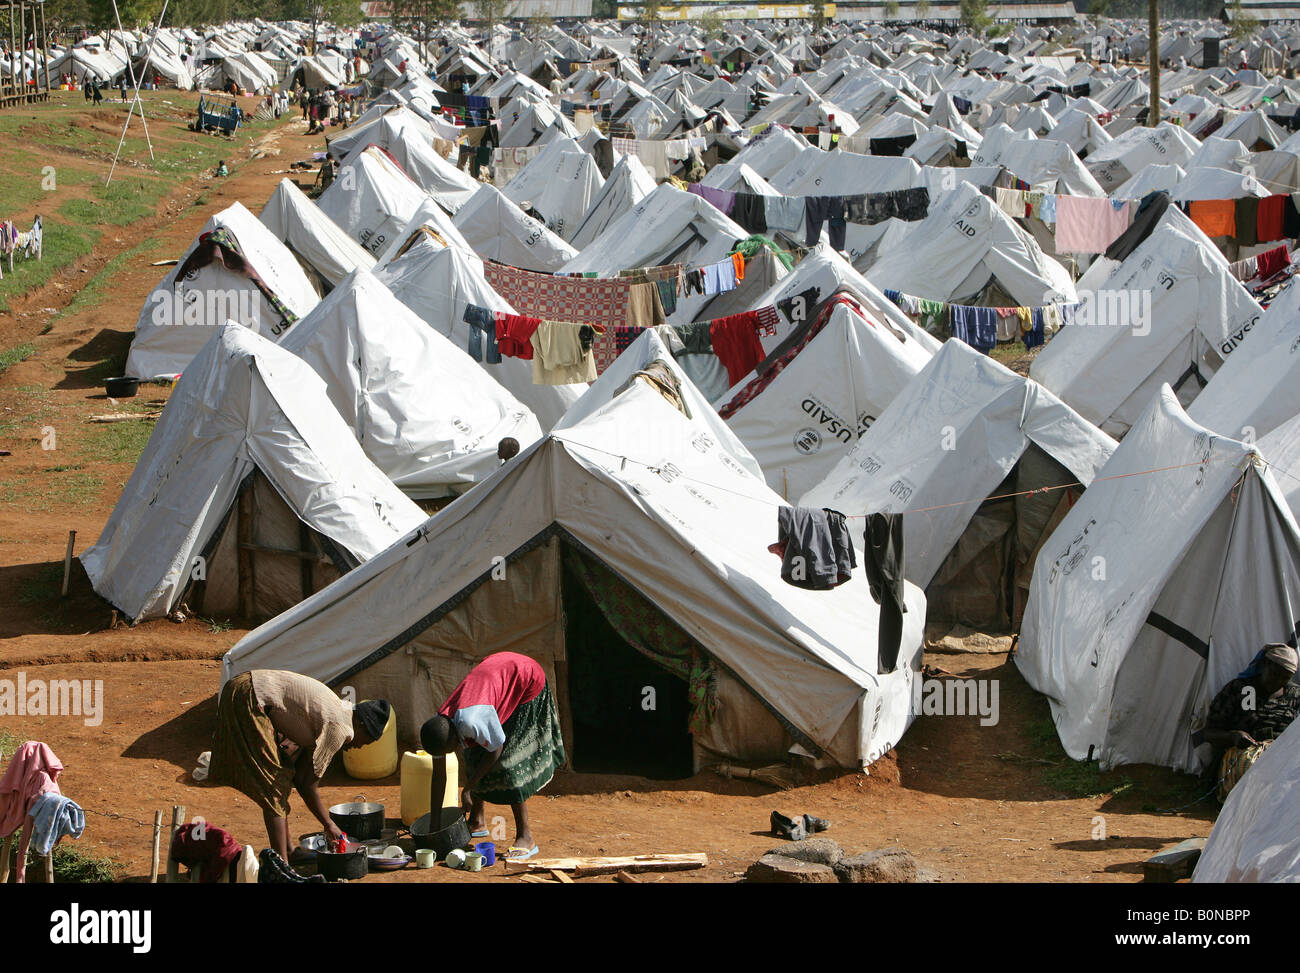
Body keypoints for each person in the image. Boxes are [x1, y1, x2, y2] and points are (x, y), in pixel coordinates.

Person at [207, 668, 391, 865]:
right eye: (367, 741)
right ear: (361, 725)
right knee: (274, 787)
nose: (360, 746)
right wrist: (329, 824)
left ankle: (288, 851)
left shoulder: (339, 712)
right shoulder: (341, 728)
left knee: (283, 774)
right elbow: (307, 785)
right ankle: (282, 865)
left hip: (248, 689)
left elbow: (301, 776)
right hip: (248, 696)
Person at [419, 652, 565, 861]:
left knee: (508, 762)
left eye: (448, 751)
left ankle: (526, 837)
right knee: (473, 755)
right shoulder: (438, 727)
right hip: (496, 675)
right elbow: (438, 776)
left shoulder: (470, 720)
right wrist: (434, 827)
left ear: (453, 739)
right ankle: (477, 820)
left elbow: (496, 749)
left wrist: (468, 788)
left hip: (527, 680)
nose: (447, 755)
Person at [1203, 643, 1300, 800]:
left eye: (1284, 678)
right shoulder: (1239, 689)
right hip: (1243, 755)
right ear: (1265, 665)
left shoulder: (1295, 696)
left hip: (1281, 755)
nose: (1277, 681)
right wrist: (1232, 736)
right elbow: (1208, 733)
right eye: (1274, 674)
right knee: (1255, 771)